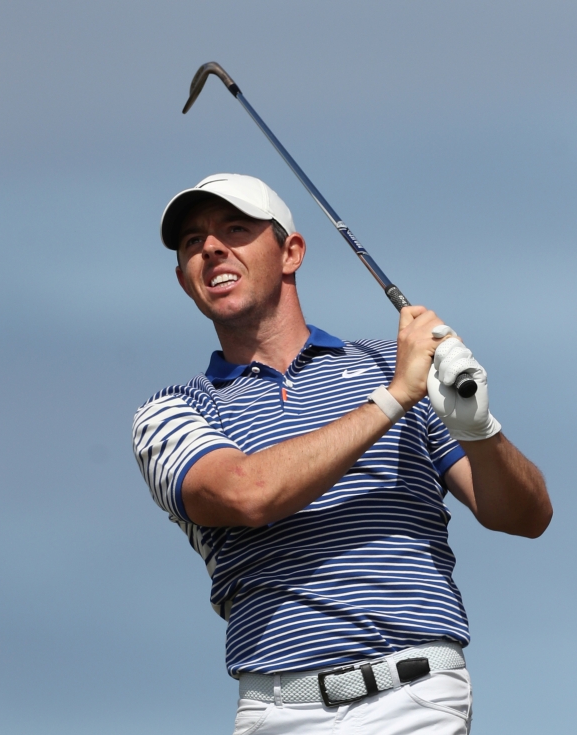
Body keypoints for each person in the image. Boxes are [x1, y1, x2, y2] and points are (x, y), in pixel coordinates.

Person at [132, 173, 552, 734]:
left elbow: (525, 516)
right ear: (185, 281)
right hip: (277, 711)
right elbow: (248, 492)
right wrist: (395, 398)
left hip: (415, 698)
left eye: (235, 229)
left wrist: (479, 430)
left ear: (291, 252)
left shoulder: (388, 363)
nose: (211, 249)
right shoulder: (171, 412)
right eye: (192, 244)